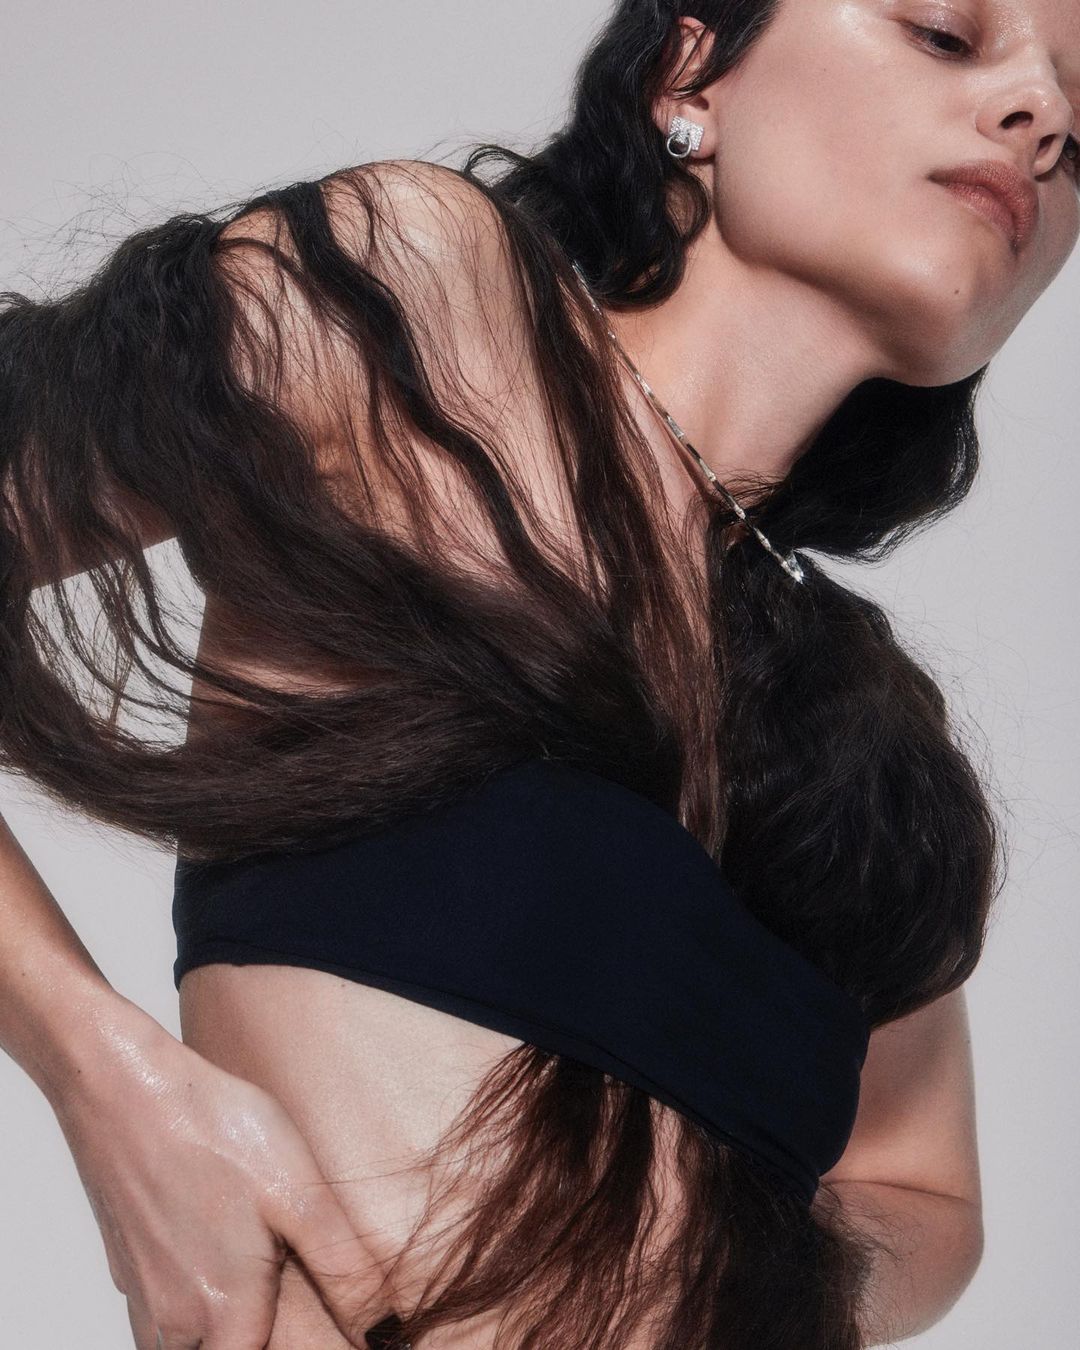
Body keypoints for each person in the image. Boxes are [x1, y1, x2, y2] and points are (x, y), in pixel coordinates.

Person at [1, 0, 1076, 1346]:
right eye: (947, 34)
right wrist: (108, 1083)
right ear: (692, 71)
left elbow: (926, 1193)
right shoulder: (424, 310)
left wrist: (701, 1293)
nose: (1043, 119)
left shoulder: (862, 731)